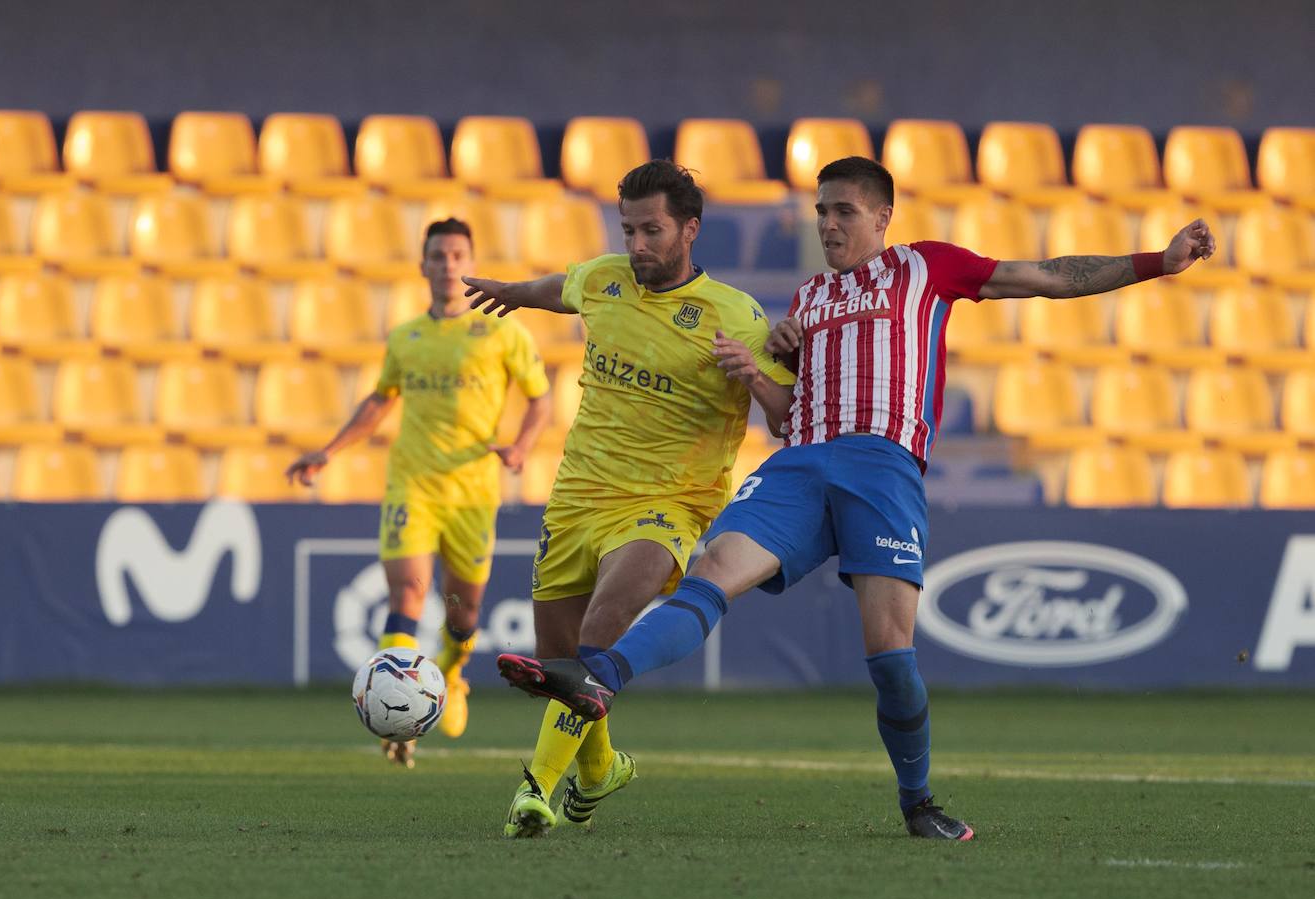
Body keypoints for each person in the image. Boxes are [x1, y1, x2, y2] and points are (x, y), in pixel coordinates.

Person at [495, 155, 1218, 840]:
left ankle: (918, 802)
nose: (828, 225)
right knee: (713, 567)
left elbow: (1051, 276)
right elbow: (785, 406)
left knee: (889, 652)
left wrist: (1160, 261)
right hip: (800, 463)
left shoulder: (926, 266)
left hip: (881, 465)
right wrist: (767, 366)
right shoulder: (807, 300)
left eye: (843, 211)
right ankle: (600, 678)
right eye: (820, 212)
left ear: (883, 217)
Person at [463, 159, 795, 838]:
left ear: (689, 229)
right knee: (562, 672)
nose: (637, 244)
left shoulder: (736, 316)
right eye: (628, 229)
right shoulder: (606, 277)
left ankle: (535, 790)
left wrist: (752, 377)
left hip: (668, 503)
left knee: (596, 640)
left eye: (651, 230)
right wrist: (514, 294)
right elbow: (564, 288)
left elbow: (787, 417)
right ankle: (599, 771)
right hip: (577, 498)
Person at [286, 218, 552, 768]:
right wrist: (330, 451)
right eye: (438, 255)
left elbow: (540, 400)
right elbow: (380, 400)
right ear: (423, 265)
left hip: (474, 492)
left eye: (458, 254)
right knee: (408, 594)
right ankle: (398, 716)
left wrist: (523, 446)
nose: (449, 264)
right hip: (412, 484)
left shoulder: (503, 333)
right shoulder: (405, 336)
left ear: (470, 261)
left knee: (463, 612)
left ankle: (451, 675)